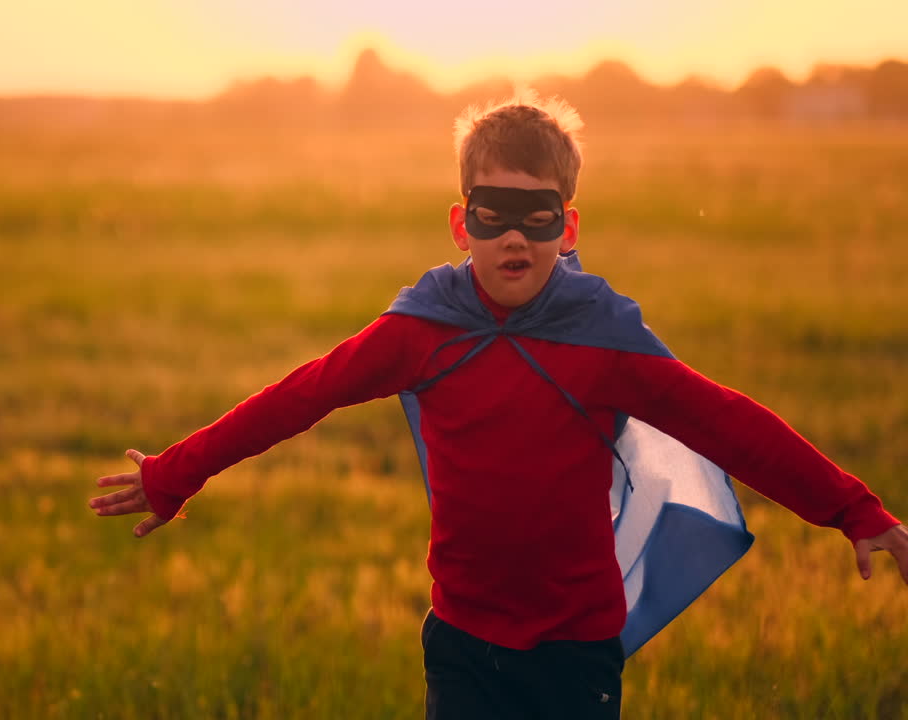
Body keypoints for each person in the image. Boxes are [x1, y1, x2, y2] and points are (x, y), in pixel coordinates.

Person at [87, 93, 908, 719]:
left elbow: (729, 423)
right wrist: (174, 476)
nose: (515, 238)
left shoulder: (605, 340)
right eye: (493, 214)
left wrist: (854, 508)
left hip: (578, 651)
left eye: (537, 216)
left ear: (569, 225)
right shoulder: (419, 331)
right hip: (463, 644)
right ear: (460, 223)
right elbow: (300, 396)